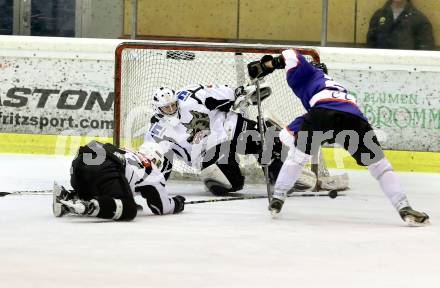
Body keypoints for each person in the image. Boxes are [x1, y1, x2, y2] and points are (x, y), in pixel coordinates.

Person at [247, 49, 430, 226]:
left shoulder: (308, 75)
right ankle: (404, 207)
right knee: (380, 167)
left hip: (322, 113)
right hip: (353, 116)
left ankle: (278, 198)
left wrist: (268, 65)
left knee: (297, 157)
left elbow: (291, 54)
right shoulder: (336, 86)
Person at [144, 84, 318, 196]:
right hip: (210, 154)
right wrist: (151, 185)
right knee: (232, 185)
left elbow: (222, 94)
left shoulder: (190, 96)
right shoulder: (156, 132)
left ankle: (280, 173)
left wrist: (238, 94)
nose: (172, 109)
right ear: (158, 109)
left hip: (229, 129)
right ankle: (212, 178)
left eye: (173, 104)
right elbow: (153, 160)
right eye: (166, 108)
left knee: (263, 139)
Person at [52, 140, 185, 221]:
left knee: (101, 190)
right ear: (157, 159)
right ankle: (89, 208)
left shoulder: (129, 152)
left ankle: (67, 196)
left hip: (78, 165)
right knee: (129, 209)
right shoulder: (151, 168)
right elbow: (161, 207)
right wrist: (178, 202)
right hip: (105, 167)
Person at [367, 0, 434, 50]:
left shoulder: (419, 19)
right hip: (379, 65)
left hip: (407, 66)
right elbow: (370, 45)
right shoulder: (378, 15)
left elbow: (426, 49)